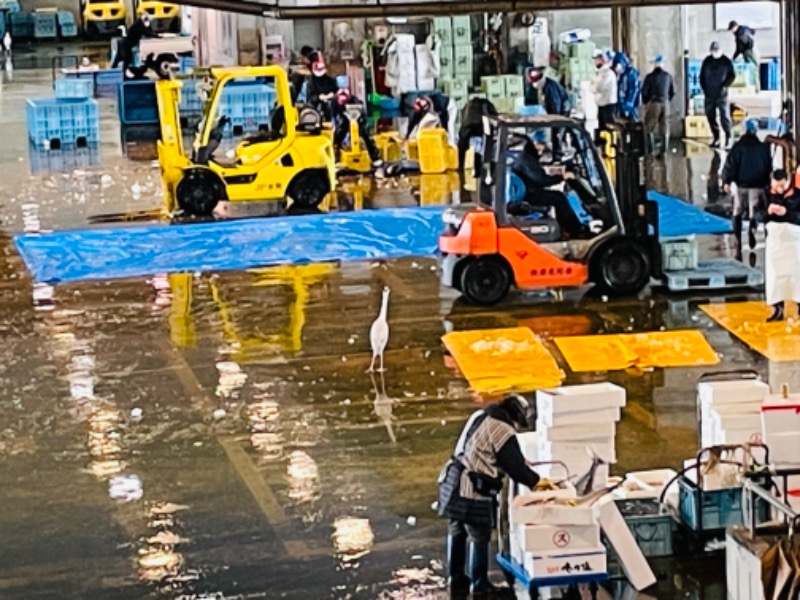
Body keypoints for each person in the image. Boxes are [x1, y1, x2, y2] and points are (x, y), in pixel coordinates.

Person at [437, 395, 539, 594]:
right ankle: (479, 583)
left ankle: (456, 579)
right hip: (471, 489)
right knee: (479, 535)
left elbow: (482, 448)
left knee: (457, 530)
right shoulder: (503, 429)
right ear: (515, 416)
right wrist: (538, 482)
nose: (517, 428)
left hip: (451, 481)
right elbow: (515, 468)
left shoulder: (480, 415)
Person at [511, 133, 586, 239]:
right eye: (542, 144)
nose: (543, 147)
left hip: (530, 190)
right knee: (559, 198)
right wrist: (562, 177)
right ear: (535, 143)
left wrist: (558, 175)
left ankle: (565, 229)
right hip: (531, 194)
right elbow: (541, 180)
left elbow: (539, 176)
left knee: (557, 196)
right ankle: (575, 230)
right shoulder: (527, 159)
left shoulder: (528, 156)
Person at [722, 119, 771, 259]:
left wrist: (726, 181)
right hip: (757, 185)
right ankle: (752, 230)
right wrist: (767, 183)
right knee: (753, 211)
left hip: (741, 185)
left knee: (737, 211)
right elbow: (768, 166)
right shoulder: (762, 147)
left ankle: (737, 238)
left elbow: (730, 164)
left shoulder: (738, 147)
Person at [763, 169, 800, 322]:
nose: (779, 189)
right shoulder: (766, 195)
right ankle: (778, 308)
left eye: (782, 185)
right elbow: (757, 215)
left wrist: (786, 212)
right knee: (775, 276)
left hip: (794, 241)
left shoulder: (797, 195)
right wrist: (768, 212)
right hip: (775, 242)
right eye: (776, 186)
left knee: (797, 275)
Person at [332, 88, 384, 174]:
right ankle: (336, 159)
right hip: (344, 121)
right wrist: (334, 124)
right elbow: (333, 114)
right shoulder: (334, 102)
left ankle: (375, 158)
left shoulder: (355, 102)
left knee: (367, 137)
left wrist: (362, 123)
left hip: (358, 120)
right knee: (337, 138)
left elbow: (363, 115)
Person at [700, 41, 736, 149]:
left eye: (716, 51)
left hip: (722, 94)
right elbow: (701, 76)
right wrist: (704, 89)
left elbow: (732, 75)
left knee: (724, 116)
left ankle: (729, 137)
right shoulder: (707, 61)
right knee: (710, 116)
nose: (714, 53)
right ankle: (716, 137)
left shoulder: (726, 61)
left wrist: (725, 86)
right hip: (709, 94)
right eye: (713, 51)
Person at [641, 55, 675, 156]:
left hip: (654, 103)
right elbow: (672, 91)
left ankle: (650, 150)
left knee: (649, 126)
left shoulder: (649, 77)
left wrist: (646, 102)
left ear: (654, 65)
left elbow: (644, 92)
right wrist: (667, 99)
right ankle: (663, 150)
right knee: (664, 126)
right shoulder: (668, 76)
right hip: (665, 102)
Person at [591, 50, 618, 134]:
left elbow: (600, 87)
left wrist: (595, 86)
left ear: (602, 60)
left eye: (596, 59)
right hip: (601, 104)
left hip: (608, 105)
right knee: (602, 129)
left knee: (608, 129)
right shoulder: (600, 73)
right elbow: (591, 86)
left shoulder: (609, 74)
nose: (595, 62)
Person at [729, 21, 760, 92]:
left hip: (749, 52)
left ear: (735, 27)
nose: (731, 31)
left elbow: (739, 49)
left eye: (731, 29)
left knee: (752, 70)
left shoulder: (739, 35)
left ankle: (755, 89)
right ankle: (756, 89)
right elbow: (753, 31)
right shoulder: (744, 28)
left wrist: (733, 58)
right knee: (755, 70)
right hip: (755, 50)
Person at [612, 52, 642, 121]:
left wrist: (629, 102)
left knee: (632, 124)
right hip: (622, 104)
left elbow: (634, 89)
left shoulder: (631, 73)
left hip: (629, 106)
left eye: (617, 66)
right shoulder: (622, 74)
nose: (616, 69)